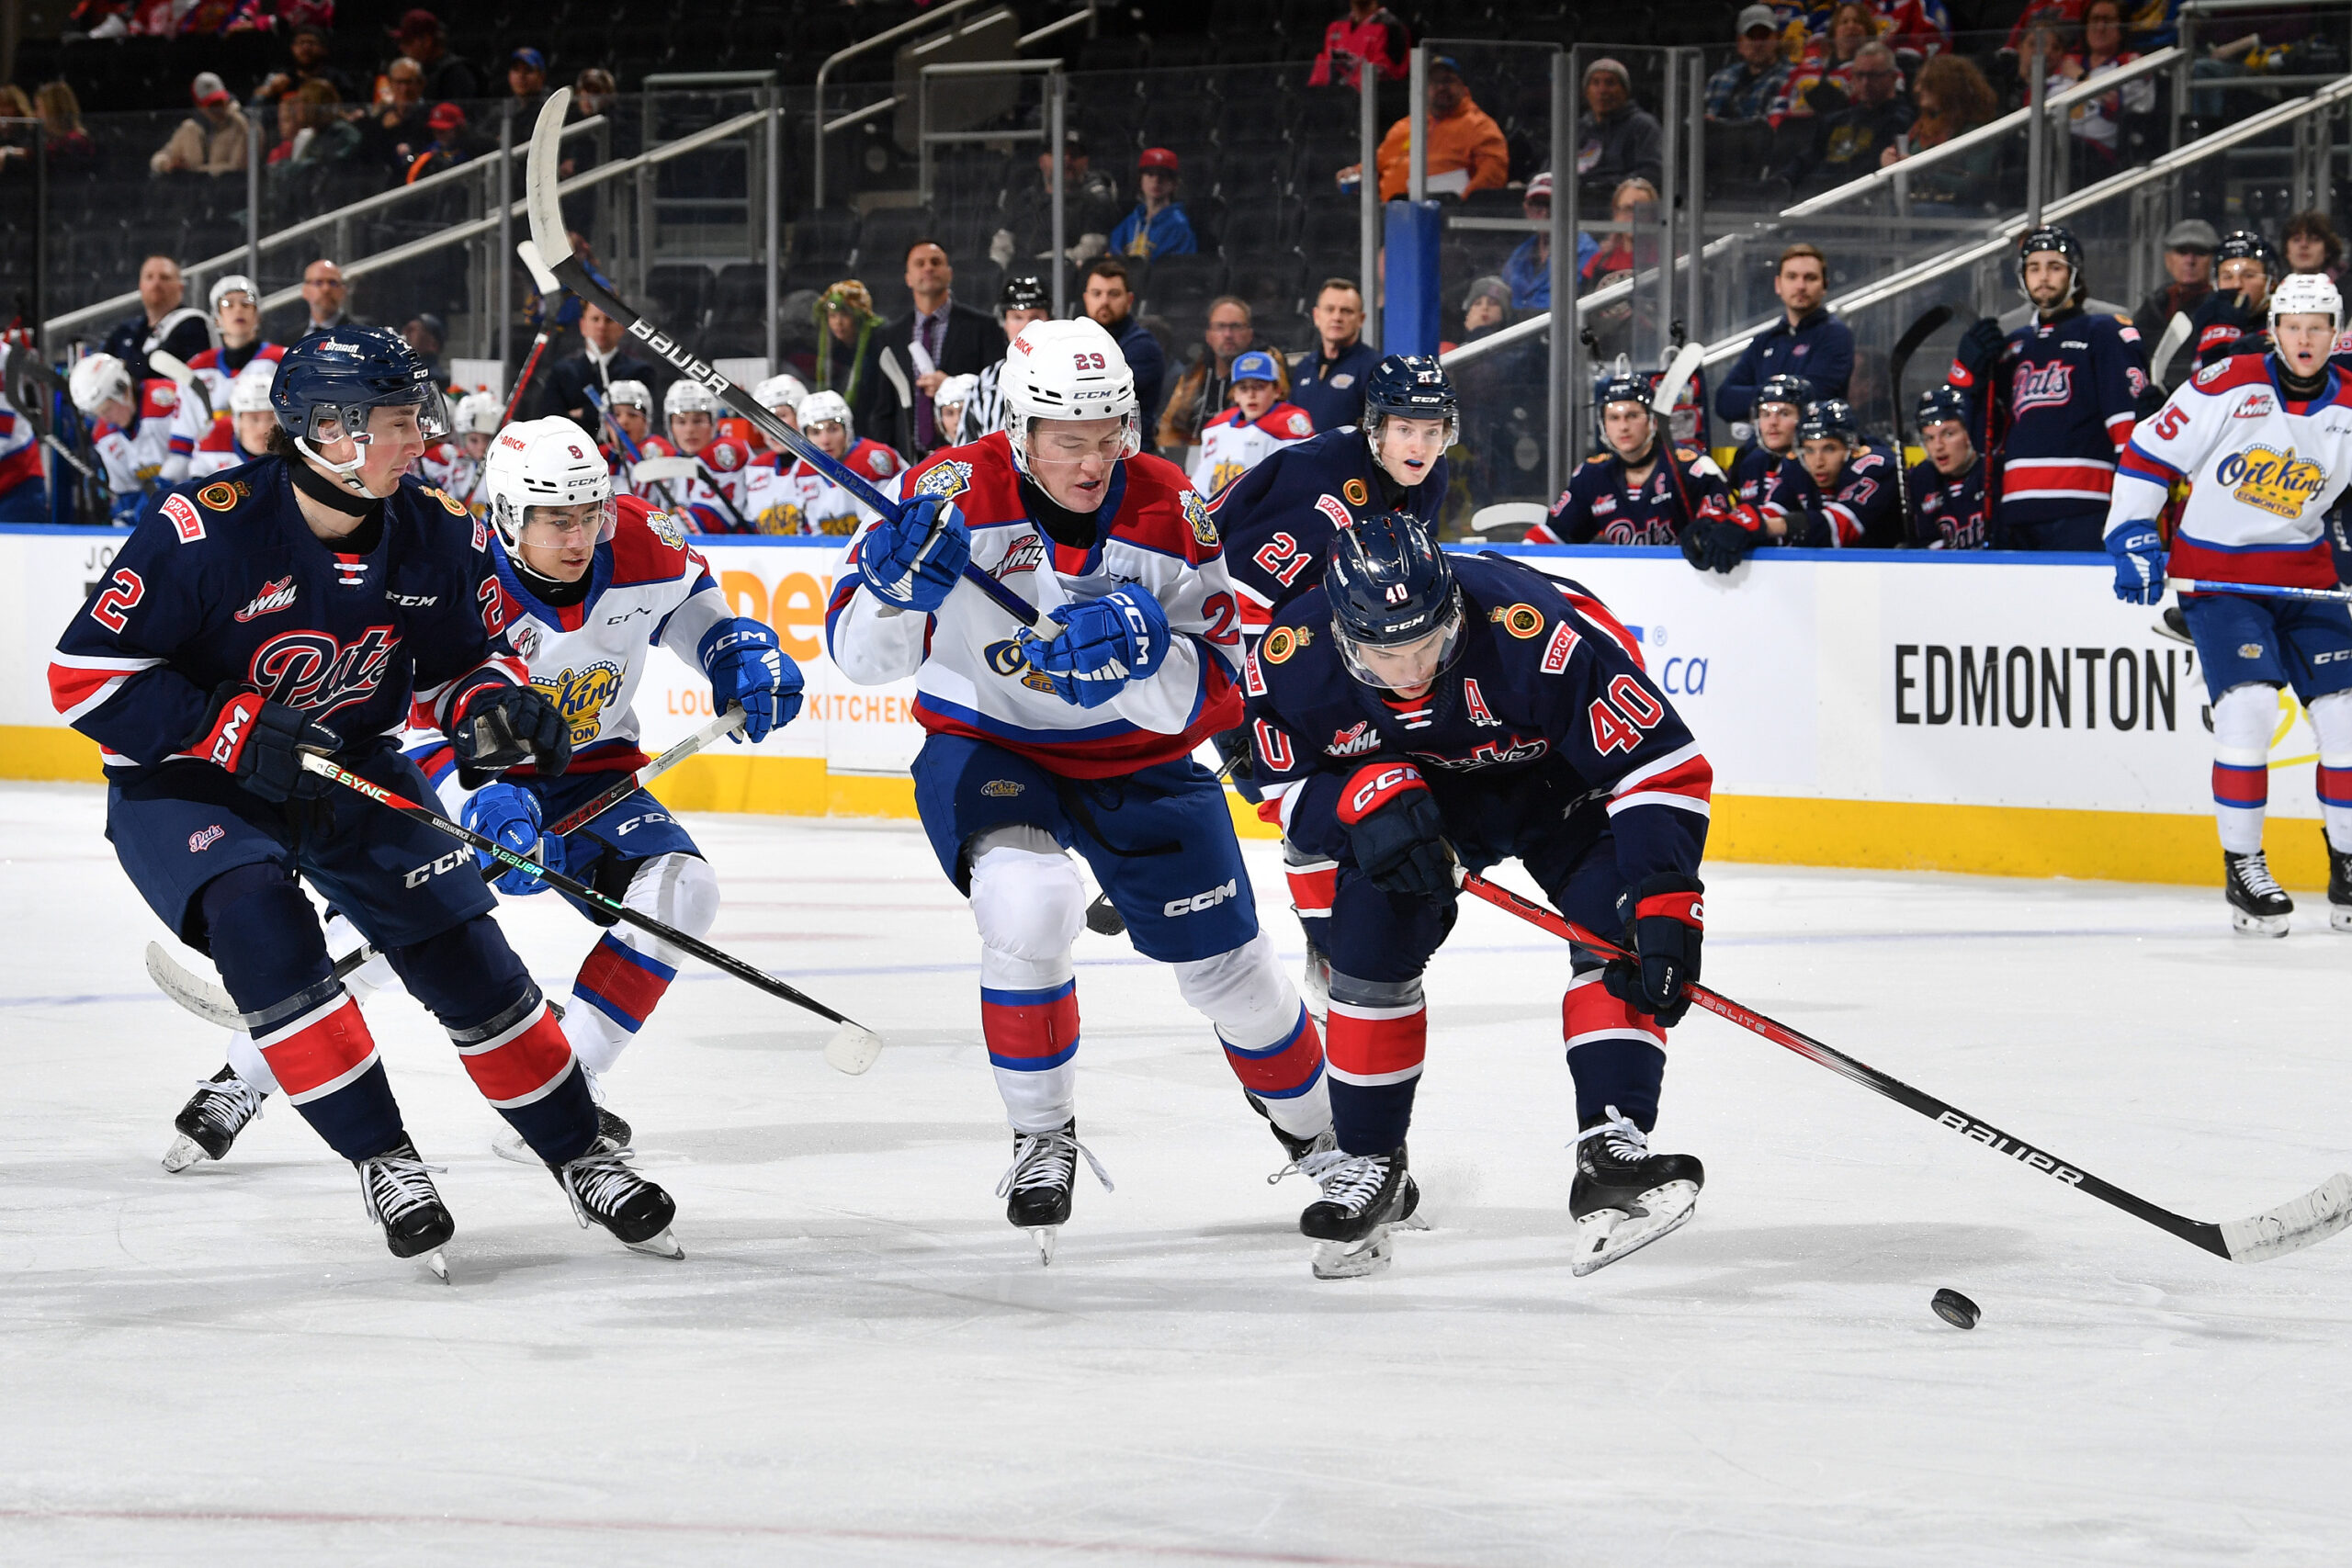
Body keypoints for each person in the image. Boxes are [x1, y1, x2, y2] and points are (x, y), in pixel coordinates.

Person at [51, 327, 677, 1271]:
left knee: (462, 948)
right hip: (186, 782)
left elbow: (466, 660)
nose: (418, 440)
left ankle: (579, 1151)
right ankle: (385, 1160)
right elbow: (81, 677)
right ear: (331, 430)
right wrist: (224, 728)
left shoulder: (432, 532)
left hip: (343, 759)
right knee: (261, 923)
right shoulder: (206, 527)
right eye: (397, 423)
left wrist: (492, 706)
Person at [826, 315, 1335, 1260]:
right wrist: (899, 592)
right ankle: (1041, 1137)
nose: (1095, 461)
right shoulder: (947, 494)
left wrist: (1144, 657)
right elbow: (858, 657)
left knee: (1235, 979)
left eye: (1109, 438)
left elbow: (1222, 680)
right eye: (1070, 441)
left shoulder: (1168, 506)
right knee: (1029, 904)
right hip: (991, 745)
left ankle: (1329, 1142)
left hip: (1133, 758)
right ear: (1019, 431)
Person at [1243, 513, 1713, 1278]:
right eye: (1382, 652)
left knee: (1619, 933)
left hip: (1564, 783)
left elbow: (1656, 762)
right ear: (1341, 634)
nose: (1409, 671)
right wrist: (1356, 806)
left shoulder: (1536, 633)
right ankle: (1372, 1166)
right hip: (1417, 801)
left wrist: (1665, 896)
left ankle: (1612, 1148)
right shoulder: (1293, 658)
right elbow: (1277, 785)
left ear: (1452, 611)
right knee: (1368, 947)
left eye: (1426, 643)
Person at [311, 421, 796, 1150]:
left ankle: (571, 1081)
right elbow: (409, 724)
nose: (578, 538)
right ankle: (241, 1077)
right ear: (508, 514)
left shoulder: (639, 538)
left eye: (588, 513)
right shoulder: (450, 570)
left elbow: (693, 604)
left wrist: (732, 654)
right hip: (471, 771)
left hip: (591, 772)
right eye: (555, 519)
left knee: (685, 889)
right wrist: (473, 798)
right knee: (388, 929)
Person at [2105, 271, 2352, 935]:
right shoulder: (2229, 382)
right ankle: (2245, 867)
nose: (2304, 340)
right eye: (2293, 327)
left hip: (2307, 577)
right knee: (2246, 708)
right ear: (2274, 330)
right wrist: (2131, 532)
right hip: (2219, 578)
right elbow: (2150, 454)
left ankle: (2348, 866)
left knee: (2348, 717)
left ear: (2336, 332)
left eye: (2317, 328)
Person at [1212, 355, 1456, 1011]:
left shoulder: (1425, 486)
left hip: (1322, 657)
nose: (1421, 446)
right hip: (1240, 652)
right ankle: (1329, 954)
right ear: (1375, 427)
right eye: (1407, 427)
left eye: (1433, 431)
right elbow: (1238, 599)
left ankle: (1348, 948)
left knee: (1366, 797)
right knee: (1313, 809)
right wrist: (1248, 705)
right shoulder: (1323, 487)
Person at [1950, 224, 2149, 551]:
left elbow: (2126, 429)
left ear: (2074, 274)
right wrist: (1973, 379)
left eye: (2055, 267)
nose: (2043, 277)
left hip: (2085, 507)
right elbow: (1988, 440)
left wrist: (2132, 507)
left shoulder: (2103, 332)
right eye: (2034, 268)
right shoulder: (2012, 346)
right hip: (2016, 510)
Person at [1529, 362, 1733, 550]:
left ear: (1652, 421)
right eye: (1614, 418)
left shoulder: (1691, 467)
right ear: (1604, 426)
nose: (1623, 427)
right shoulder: (1591, 475)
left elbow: (1720, 524)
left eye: (1633, 416)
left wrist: (1710, 531)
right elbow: (1554, 535)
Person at [876, 242, 1009, 457]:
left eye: (936, 262)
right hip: (909, 457)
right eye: (920, 263)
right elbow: (884, 408)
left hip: (970, 452)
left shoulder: (983, 327)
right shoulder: (891, 335)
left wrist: (952, 385)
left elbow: (997, 387)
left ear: (949, 274)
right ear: (908, 278)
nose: (928, 268)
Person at [1714, 244, 1854, 428]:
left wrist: (1760, 398)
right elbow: (1725, 400)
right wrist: (1786, 393)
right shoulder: (1764, 341)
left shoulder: (1835, 335)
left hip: (1813, 447)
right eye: (1792, 277)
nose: (1801, 286)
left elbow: (1815, 396)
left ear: (1824, 286)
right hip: (1762, 449)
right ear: (1778, 285)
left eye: (1810, 278)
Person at [164, 276, 284, 485]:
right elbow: (182, 445)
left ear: (257, 316)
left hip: (271, 469)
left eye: (246, 303)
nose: (238, 310)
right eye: (228, 304)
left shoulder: (283, 361)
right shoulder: (197, 369)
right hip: (211, 472)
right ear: (217, 318)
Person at [1344, 54, 1509, 203]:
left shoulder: (1480, 126)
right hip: (1390, 217)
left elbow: (1492, 176)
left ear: (1463, 87)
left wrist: (1460, 206)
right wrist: (1354, 172)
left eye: (1448, 80)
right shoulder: (1404, 126)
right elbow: (1377, 163)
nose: (1441, 87)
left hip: (1446, 222)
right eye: (1433, 82)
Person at [1781, 41, 1912, 195]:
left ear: (1893, 77)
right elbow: (1808, 158)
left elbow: (1869, 172)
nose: (1865, 83)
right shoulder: (1835, 120)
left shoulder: (1900, 121)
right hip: (1813, 195)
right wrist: (1783, 181)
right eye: (1859, 75)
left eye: (1873, 75)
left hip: (1855, 199)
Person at [1877, 52, 1998, 213]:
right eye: (1919, 82)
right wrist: (1888, 160)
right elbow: (1906, 163)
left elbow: (1973, 185)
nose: (1917, 88)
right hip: (1920, 205)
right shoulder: (1921, 126)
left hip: (1959, 211)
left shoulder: (1976, 131)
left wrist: (1920, 171)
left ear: (1950, 87)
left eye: (1928, 83)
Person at [68, 352, 179, 524]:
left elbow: (200, 461)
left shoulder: (166, 403)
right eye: (97, 415)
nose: (105, 420)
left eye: (107, 410)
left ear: (124, 390)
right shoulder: (104, 435)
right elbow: (127, 493)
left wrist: (164, 488)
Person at [1159, 297, 1273, 456]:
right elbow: (1170, 429)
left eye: (1236, 327)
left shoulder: (1267, 372)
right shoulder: (1194, 374)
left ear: (1250, 334)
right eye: (1220, 327)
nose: (1228, 334)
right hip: (1194, 460)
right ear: (1209, 336)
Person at [991, 130, 1123, 269]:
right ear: (1041, 161)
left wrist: (1039, 264)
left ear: (1085, 162)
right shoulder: (1025, 200)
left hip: (1064, 282)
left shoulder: (1095, 202)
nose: (1066, 159)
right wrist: (1002, 269)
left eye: (1074, 154)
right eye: (1057, 153)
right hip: (1020, 279)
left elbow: (1089, 250)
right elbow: (1002, 244)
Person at [1190, 351, 1314, 498]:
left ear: (1277, 390)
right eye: (1243, 388)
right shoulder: (1216, 427)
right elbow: (1201, 484)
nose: (1251, 395)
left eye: (1259, 387)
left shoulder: (1291, 424)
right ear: (1234, 394)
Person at [2055, 0, 2154, 179]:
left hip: (2102, 155)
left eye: (2108, 20)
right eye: (2095, 19)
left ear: (2122, 27)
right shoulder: (2068, 61)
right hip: (2056, 142)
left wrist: (2081, 77)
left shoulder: (2132, 62)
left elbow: (2114, 101)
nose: (2100, 27)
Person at [639, 381, 753, 533]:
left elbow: (712, 520)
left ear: (713, 422)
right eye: (681, 421)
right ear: (669, 425)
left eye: (698, 421)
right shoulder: (670, 460)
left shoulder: (727, 452)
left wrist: (648, 532)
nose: (690, 429)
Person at [813, 280, 903, 458]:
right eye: (832, 316)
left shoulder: (882, 341)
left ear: (859, 315)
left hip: (879, 437)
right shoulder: (834, 351)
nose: (838, 322)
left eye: (844, 315)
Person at [542, 302, 660, 436]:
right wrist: (605, 413)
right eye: (595, 319)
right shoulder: (561, 372)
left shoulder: (641, 372)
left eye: (609, 320)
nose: (601, 326)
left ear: (621, 326)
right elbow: (551, 421)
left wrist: (583, 413)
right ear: (583, 325)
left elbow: (642, 418)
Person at [961, 274, 1053, 443]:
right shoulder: (986, 380)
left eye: (1035, 318)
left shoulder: (1066, 374)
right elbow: (966, 447)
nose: (1026, 326)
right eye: (1017, 318)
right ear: (1005, 323)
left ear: (1050, 320)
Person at [102, 255, 213, 387]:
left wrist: (124, 368)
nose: (156, 284)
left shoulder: (193, 324)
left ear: (180, 287)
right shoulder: (126, 331)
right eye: (149, 277)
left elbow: (159, 366)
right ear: (140, 286)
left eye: (164, 278)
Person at [2178, 230, 2279, 373]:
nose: (2237, 284)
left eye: (2249, 275)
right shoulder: (2203, 322)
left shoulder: (2283, 328)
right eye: (2227, 277)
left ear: (2272, 282)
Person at [1080, 258, 1166, 428]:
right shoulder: (1076, 341)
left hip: (1132, 450)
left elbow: (1101, 398)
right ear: (1086, 298)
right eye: (1097, 293)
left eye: (1114, 294)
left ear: (1129, 300)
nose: (1104, 301)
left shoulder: (1143, 347)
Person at [1289, 278, 1381, 434]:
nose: (1337, 317)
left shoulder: (1374, 368)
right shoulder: (1304, 367)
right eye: (1329, 309)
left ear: (1361, 319)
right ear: (1316, 316)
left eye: (1346, 311)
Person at [1572, 57, 1665, 209]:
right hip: (1577, 208)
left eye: (1610, 83)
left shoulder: (1643, 126)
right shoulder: (1576, 129)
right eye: (1595, 83)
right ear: (1586, 92)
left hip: (1622, 209)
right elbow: (1550, 170)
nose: (1602, 90)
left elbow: (1652, 173)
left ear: (1625, 91)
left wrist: (1606, 187)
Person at [1906, 385, 1991, 547]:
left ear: (1970, 432)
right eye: (1929, 438)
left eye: (1948, 434)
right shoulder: (1922, 478)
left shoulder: (1993, 472)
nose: (1938, 446)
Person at [1500, 174, 1597, 312]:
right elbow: (1504, 290)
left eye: (1551, 204)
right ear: (1527, 209)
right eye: (1537, 204)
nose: (1544, 212)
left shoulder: (1586, 251)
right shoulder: (1521, 252)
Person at [187, 359, 281, 479]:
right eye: (255, 419)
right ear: (237, 421)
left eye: (271, 418)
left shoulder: (295, 450)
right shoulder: (212, 438)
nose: (263, 428)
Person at [2132, 219, 2217, 347]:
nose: (2190, 260)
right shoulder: (2155, 304)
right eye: (2182, 252)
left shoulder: (2220, 308)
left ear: (2213, 260)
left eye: (2200, 252)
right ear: (2168, 260)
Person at [1708, 6, 1796, 128]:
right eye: (1752, 37)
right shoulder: (1720, 79)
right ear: (1740, 43)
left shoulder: (1792, 79)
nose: (1758, 44)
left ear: (1777, 39)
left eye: (1764, 36)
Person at [150, 73, 250, 178]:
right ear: (198, 105)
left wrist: (191, 171)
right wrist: (166, 164)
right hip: (193, 192)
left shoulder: (240, 124)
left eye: (220, 101)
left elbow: (237, 168)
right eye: (210, 104)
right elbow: (161, 157)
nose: (217, 108)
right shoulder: (190, 128)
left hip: (230, 190)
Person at [1110, 147, 1199, 261]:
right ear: (1140, 180)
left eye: (1163, 175)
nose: (1156, 180)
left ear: (1174, 183)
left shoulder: (1179, 226)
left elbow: (1180, 270)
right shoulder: (1130, 222)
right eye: (1150, 174)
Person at [420, 389, 499, 513]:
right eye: (474, 440)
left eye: (487, 439)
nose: (481, 447)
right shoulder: (452, 458)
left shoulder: (502, 469)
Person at [1306, 0, 1409, 89]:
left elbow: (1394, 80)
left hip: (1374, 105)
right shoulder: (1336, 26)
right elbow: (1321, 78)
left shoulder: (1392, 28)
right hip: (1334, 104)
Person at [389, 8, 481, 104]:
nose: (402, 47)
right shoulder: (422, 71)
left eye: (407, 42)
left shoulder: (455, 74)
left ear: (426, 41)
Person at [252, 24, 356, 107]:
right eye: (301, 43)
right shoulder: (280, 77)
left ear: (324, 49)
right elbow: (256, 101)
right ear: (292, 48)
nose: (306, 47)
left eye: (311, 43)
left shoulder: (337, 79)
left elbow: (354, 108)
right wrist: (271, 90)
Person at [298, 259, 361, 334]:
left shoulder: (360, 335)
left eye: (333, 283)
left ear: (343, 290)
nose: (326, 289)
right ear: (305, 290)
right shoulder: (288, 340)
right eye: (318, 282)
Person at [2283, 211, 2343, 284]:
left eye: (2314, 239)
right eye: (2297, 239)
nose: (2304, 245)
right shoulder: (2273, 291)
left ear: (2328, 250)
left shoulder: (2344, 292)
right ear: (2286, 249)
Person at [505, 48, 548, 119]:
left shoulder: (551, 107)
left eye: (528, 70)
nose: (521, 76)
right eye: (516, 70)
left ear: (542, 76)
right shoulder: (503, 110)